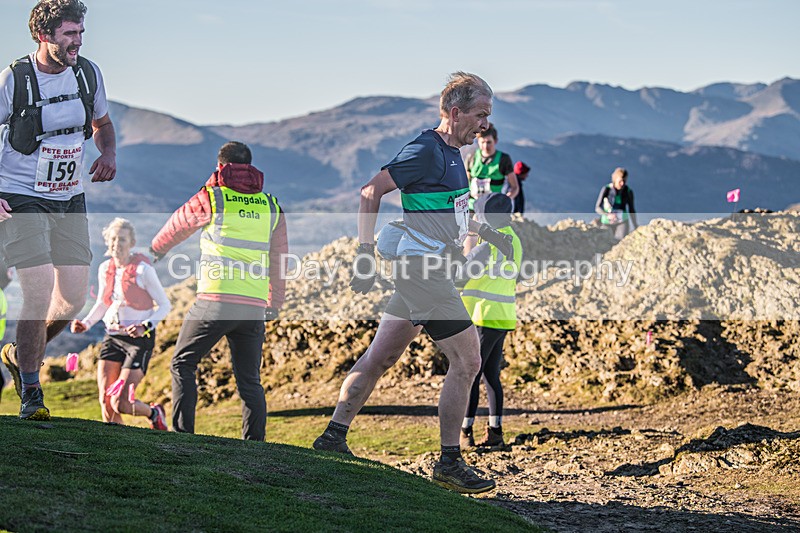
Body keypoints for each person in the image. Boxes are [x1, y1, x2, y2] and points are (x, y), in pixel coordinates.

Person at [313, 72, 516, 495]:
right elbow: (371, 191)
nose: (485, 125)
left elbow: (450, 213)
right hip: (422, 270)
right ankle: (449, 461)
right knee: (468, 362)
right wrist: (365, 251)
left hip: (423, 269)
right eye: (480, 114)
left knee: (380, 356)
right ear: (455, 112)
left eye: (488, 117)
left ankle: (332, 437)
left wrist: (488, 231)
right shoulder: (426, 149)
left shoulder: (455, 154)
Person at [0, 0, 116, 421]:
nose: (78, 42)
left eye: (81, 33)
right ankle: (32, 394)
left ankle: (19, 354)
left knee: (70, 301)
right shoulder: (15, 79)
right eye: (70, 34)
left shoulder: (88, 73)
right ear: (44, 35)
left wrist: (109, 155)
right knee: (38, 290)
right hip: (19, 195)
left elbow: (103, 124)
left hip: (67, 197)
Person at [150, 141, 287, 441]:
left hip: (215, 302)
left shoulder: (213, 197)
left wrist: (155, 250)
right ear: (250, 168)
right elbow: (278, 260)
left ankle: (183, 435)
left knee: (182, 363)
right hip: (252, 307)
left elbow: (178, 225)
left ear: (220, 166)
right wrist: (274, 302)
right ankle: (255, 445)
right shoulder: (271, 206)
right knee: (250, 380)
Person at [70, 218, 170, 429]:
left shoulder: (143, 270)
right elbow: (103, 302)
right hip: (113, 337)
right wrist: (86, 324)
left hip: (138, 340)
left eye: (122, 239)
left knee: (121, 402)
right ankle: (117, 446)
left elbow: (164, 305)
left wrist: (146, 325)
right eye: (113, 239)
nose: (117, 243)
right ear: (108, 241)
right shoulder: (106, 267)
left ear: (132, 243)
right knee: (106, 401)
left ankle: (154, 413)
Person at [458, 193, 522, 449]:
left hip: (482, 315)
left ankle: (465, 432)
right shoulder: (514, 240)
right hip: (503, 315)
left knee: (470, 375)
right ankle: (495, 431)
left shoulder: (487, 246)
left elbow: (460, 275)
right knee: (491, 375)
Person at [465, 123, 518, 212]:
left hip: (493, 208)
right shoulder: (471, 157)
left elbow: (515, 187)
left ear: (495, 141)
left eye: (489, 142)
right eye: (482, 142)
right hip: (472, 206)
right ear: (478, 141)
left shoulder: (503, 159)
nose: (485, 146)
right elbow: (466, 182)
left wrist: (506, 199)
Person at [595, 167, 638, 240]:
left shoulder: (628, 191)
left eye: (624, 181)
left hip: (622, 222)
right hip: (607, 222)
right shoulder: (607, 189)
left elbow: (631, 210)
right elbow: (597, 208)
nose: (622, 184)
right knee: (605, 243)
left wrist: (635, 225)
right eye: (620, 181)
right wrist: (607, 215)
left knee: (620, 242)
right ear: (615, 179)